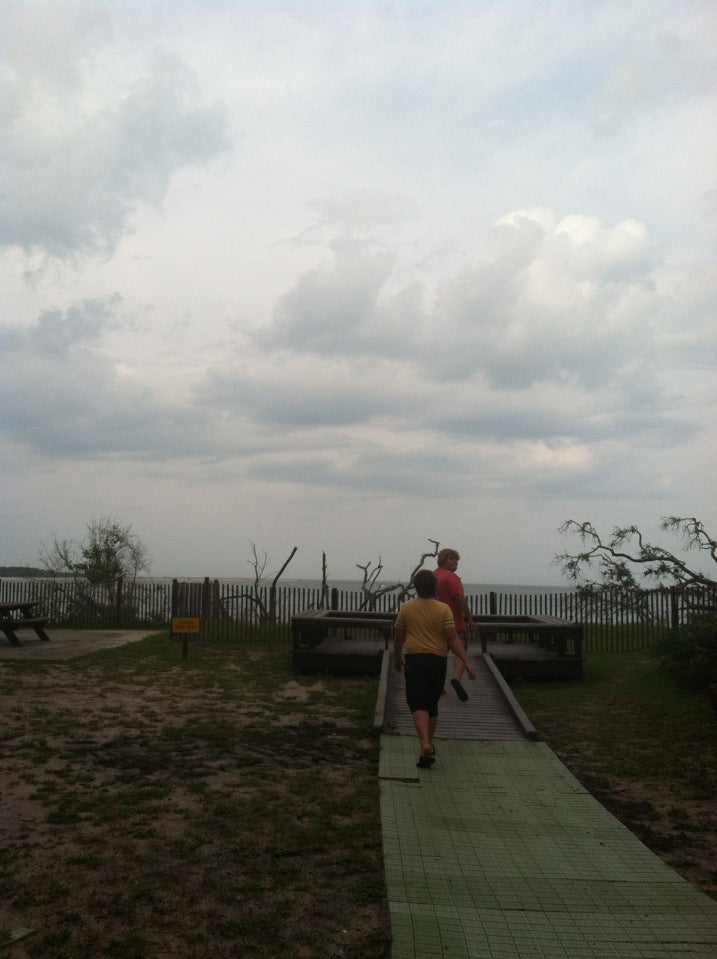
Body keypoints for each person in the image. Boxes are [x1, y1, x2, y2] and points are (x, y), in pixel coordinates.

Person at [393, 569, 476, 768]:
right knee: (431, 704)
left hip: (414, 659)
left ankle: (424, 743)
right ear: (435, 587)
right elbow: (453, 638)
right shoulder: (443, 609)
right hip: (437, 661)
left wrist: (397, 659)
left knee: (417, 703)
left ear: (416, 587)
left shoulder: (406, 608)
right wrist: (466, 662)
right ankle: (429, 744)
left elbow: (398, 638)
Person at [434, 548, 474, 702]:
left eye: (456, 559)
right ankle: (456, 678)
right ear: (443, 560)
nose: (455, 562)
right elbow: (459, 598)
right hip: (455, 622)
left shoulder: (432, 575)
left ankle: (438, 686)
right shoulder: (451, 577)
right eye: (452, 559)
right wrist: (469, 618)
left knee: (439, 654)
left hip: (437, 622)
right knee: (460, 651)